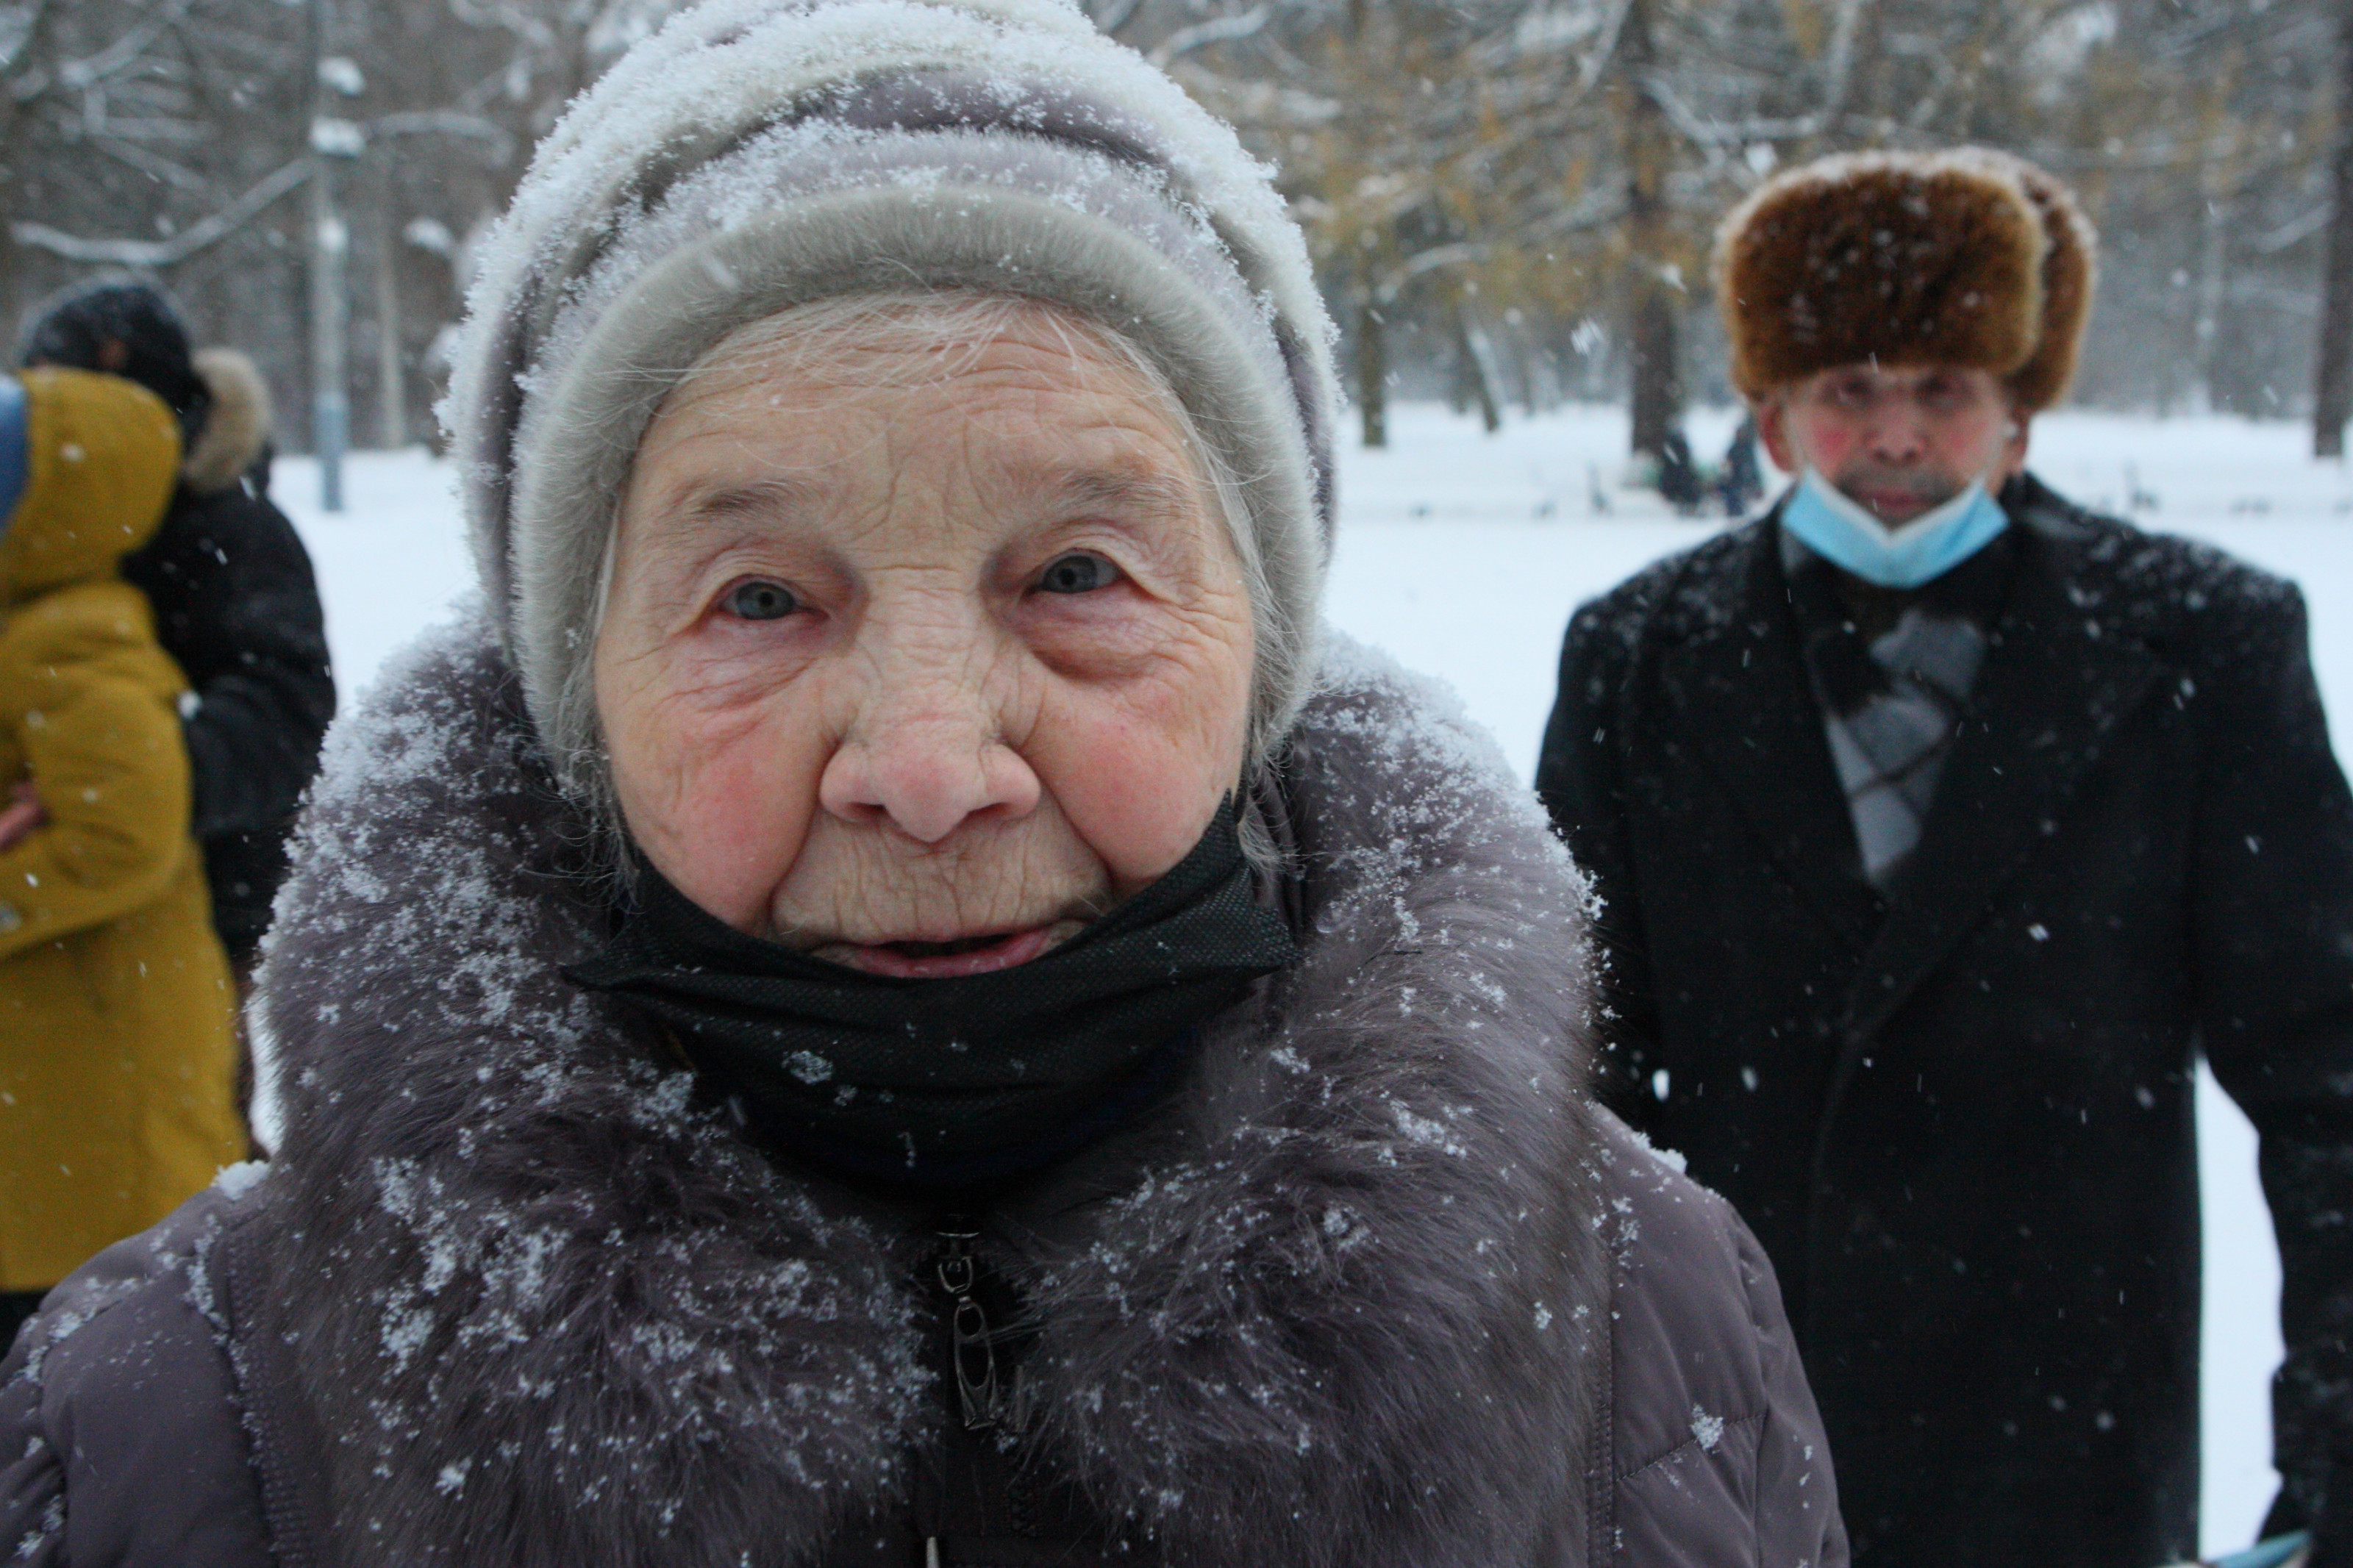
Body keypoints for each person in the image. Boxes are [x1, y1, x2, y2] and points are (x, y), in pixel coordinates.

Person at [0, 4, 1847, 1564]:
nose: (929, 766)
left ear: (1256, 649)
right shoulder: (180, 1411)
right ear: (584, 696)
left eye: (1075, 576)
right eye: (760, 598)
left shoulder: (1654, 1322)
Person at [1536, 148, 2353, 1567]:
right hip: (1738, 1425)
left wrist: (2339, 1445)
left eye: (1946, 388)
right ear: (1775, 421)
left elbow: (2330, 1073)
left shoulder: (2205, 646)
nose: (1899, 433)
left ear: (2019, 418)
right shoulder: (1638, 657)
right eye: (1849, 389)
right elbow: (1572, 1082)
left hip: (2070, 1426)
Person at [0, 365, 247, 1344]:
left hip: (98, 1078)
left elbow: (126, 830)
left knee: (86, 1362)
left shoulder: (72, 636)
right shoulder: (29, 626)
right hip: (65, 1078)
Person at [18, 282, 335, 973]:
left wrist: (147, 778)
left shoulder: (232, 529)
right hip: (45, 910)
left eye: (67, 398)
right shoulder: (35, 531)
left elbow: (289, 710)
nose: (56, 428)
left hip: (202, 916)